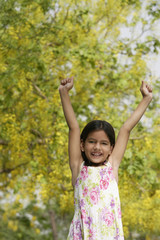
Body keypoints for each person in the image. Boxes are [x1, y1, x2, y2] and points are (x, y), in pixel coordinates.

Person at [59, 77, 152, 240]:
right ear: (82, 145)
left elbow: (126, 128)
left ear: (111, 149)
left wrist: (146, 98)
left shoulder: (112, 165)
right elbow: (73, 127)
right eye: (91, 142)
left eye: (104, 143)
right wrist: (64, 92)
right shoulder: (77, 166)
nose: (97, 147)